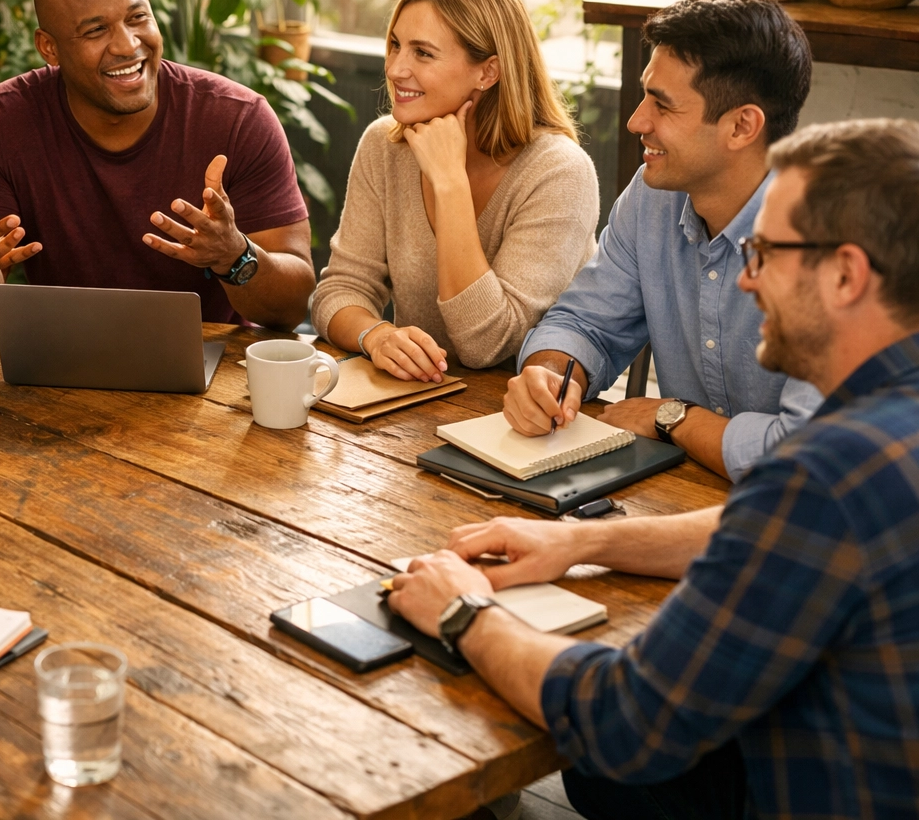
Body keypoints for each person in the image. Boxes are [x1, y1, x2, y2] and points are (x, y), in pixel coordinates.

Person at [389, 119, 919, 818]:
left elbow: (626, 719)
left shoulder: (825, 472)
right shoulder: (880, 431)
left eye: (765, 252)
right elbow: (763, 529)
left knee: (606, 765)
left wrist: (463, 613)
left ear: (846, 275)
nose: (748, 278)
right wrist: (582, 542)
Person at [505, 0, 822, 480]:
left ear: (742, 126)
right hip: (688, 491)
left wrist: (674, 417)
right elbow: (586, 322)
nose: (637, 121)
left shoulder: (835, 243)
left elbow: (809, 454)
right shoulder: (653, 197)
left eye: (663, 106)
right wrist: (549, 373)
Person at [0, 0, 315, 329]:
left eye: (137, 17)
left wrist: (234, 256)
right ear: (49, 47)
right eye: (96, 30)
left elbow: (293, 307)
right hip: (63, 355)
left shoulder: (238, 118)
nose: (128, 45)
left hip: (213, 360)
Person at [313, 0, 599, 379]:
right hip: (414, 398)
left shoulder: (559, 172)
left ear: (488, 72)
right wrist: (375, 335)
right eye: (395, 45)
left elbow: (487, 345)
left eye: (422, 53)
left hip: (514, 410)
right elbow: (339, 290)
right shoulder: (385, 145)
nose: (395, 69)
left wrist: (449, 184)